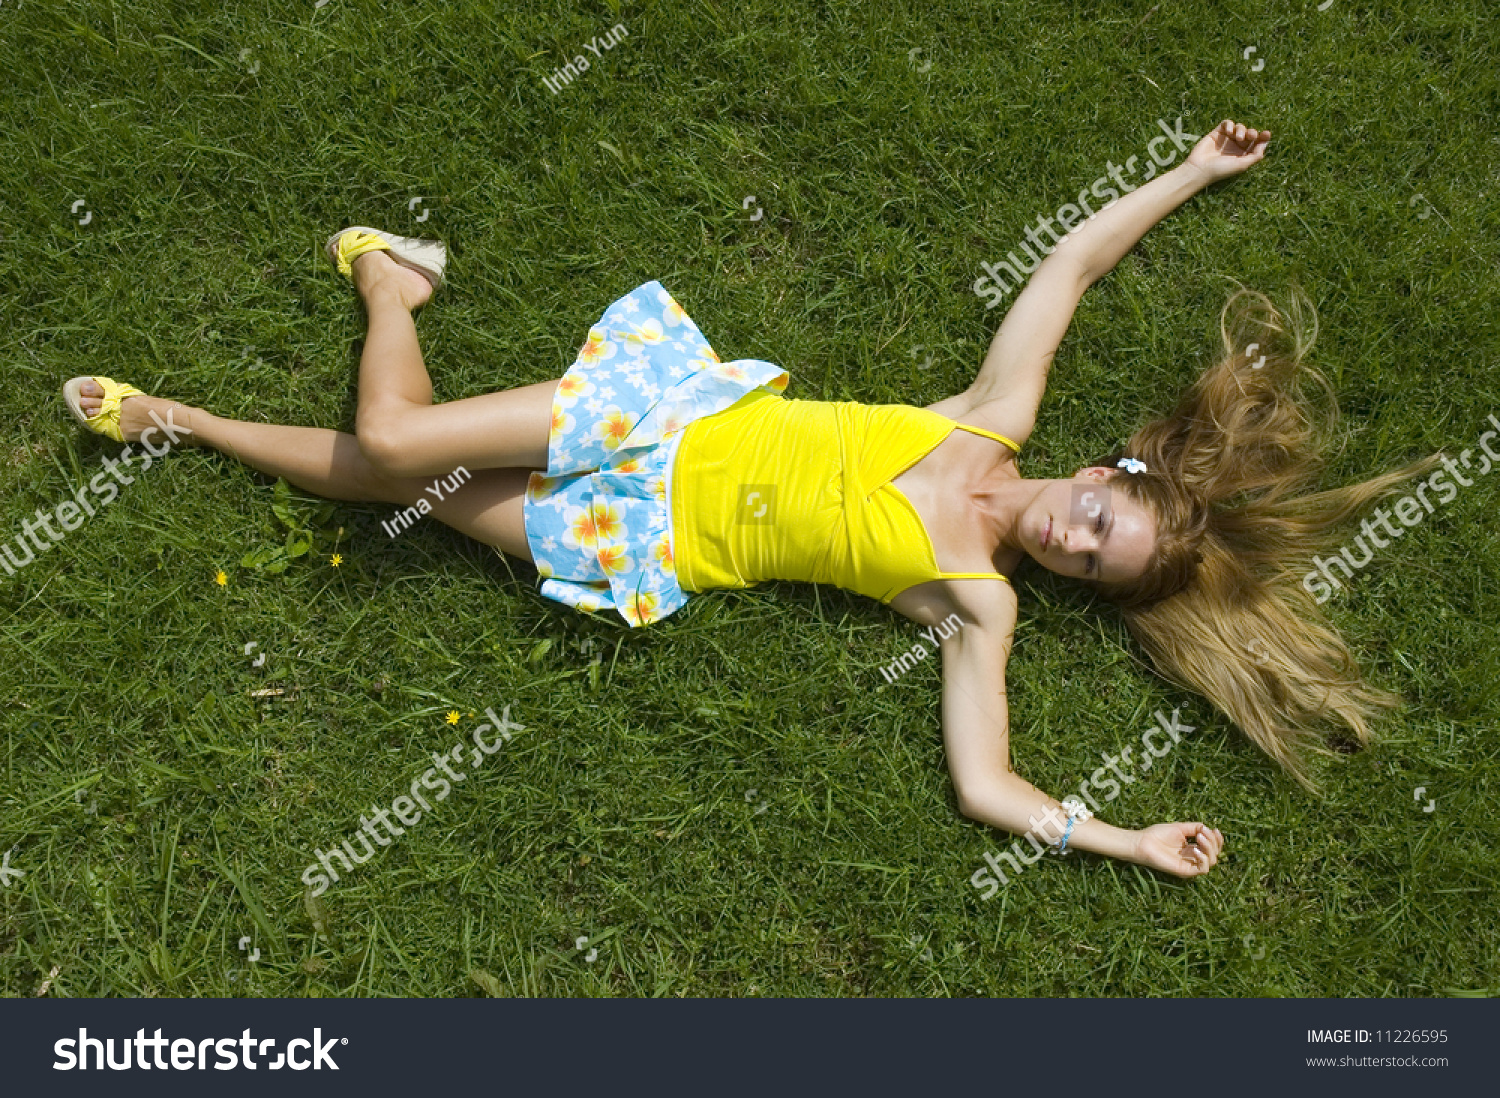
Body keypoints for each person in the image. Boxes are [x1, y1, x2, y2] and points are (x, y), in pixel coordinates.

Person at [63, 120, 1438, 880]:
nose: (1068, 542)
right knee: (392, 434)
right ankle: (386, 285)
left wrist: (1125, 834)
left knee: (383, 484)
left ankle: (193, 414)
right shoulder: (990, 415)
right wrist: (1192, 171)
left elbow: (984, 783)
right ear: (1105, 474)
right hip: (661, 422)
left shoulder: (973, 603)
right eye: (1098, 519)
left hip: (644, 534)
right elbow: (1068, 268)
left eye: (1088, 564)